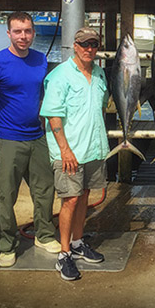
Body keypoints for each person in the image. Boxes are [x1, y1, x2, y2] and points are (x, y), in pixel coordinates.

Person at [0, 12, 60, 268]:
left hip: (37, 136)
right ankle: (7, 244)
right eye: (17, 31)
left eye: (27, 31)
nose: (23, 36)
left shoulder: (40, 59)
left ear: (33, 33)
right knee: (6, 196)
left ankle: (45, 235)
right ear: (9, 34)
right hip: (7, 138)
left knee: (45, 190)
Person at [39, 27, 110, 281]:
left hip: (94, 149)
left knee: (84, 197)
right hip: (69, 152)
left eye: (93, 44)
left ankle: (78, 242)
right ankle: (64, 254)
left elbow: (102, 108)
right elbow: (52, 114)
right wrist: (64, 149)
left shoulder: (100, 73)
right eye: (84, 44)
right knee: (69, 200)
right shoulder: (60, 75)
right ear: (75, 46)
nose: (89, 48)